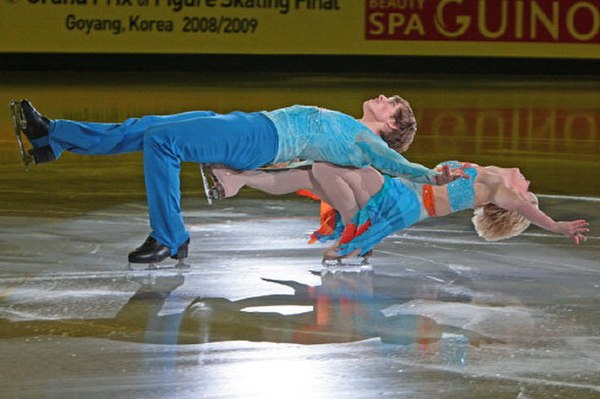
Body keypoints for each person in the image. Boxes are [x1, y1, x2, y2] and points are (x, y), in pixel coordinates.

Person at [10, 96, 468, 265]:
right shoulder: (349, 124)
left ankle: (170, 237)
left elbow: (403, 168)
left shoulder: (369, 145)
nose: (385, 98)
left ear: (390, 127)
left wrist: (432, 174)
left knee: (163, 144)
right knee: (148, 127)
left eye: (392, 106)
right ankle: (51, 135)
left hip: (258, 140)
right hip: (251, 122)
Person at [206, 161, 589, 261]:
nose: (528, 184)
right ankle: (237, 180)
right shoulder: (485, 172)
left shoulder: (498, 190)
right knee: (314, 174)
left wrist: (556, 226)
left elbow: (525, 208)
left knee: (331, 169)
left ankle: (355, 237)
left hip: (406, 201)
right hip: (406, 191)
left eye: (529, 194)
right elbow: (439, 175)